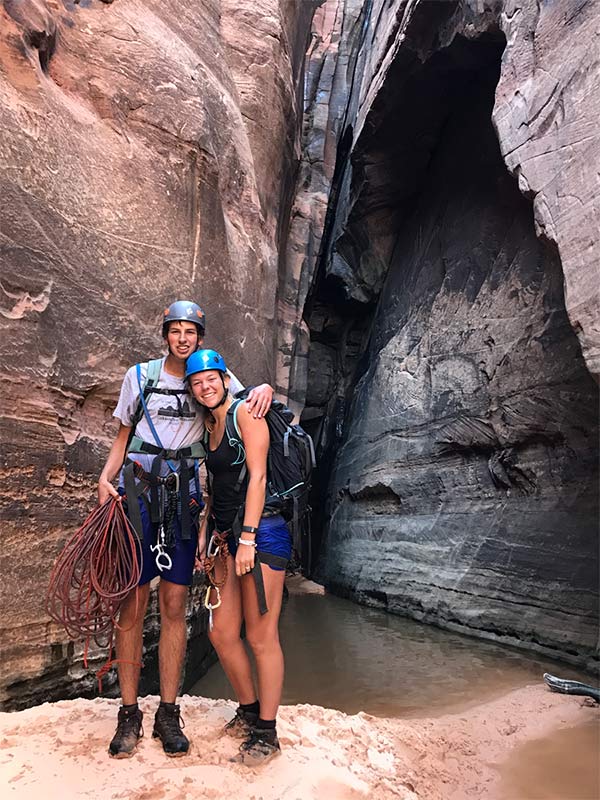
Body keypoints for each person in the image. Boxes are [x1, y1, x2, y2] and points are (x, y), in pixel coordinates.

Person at [97, 301, 273, 759]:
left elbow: (242, 399)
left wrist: (267, 387)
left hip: (182, 501)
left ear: (199, 336)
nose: (182, 338)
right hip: (137, 495)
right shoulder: (139, 376)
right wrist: (104, 478)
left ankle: (169, 712)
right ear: (165, 335)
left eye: (190, 330)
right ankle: (130, 712)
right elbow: (122, 436)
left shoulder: (212, 375)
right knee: (132, 602)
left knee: (174, 601)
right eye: (174, 330)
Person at [186, 349, 291, 766]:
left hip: (262, 533)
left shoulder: (246, 413)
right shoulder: (210, 425)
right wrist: (205, 535)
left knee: (261, 636)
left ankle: (268, 733)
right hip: (227, 537)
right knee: (222, 633)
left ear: (225, 379)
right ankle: (248, 712)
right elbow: (216, 487)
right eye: (197, 382)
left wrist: (248, 537)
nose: (205, 386)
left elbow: (258, 475)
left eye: (211, 378)